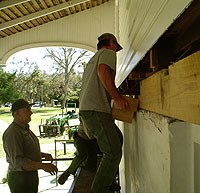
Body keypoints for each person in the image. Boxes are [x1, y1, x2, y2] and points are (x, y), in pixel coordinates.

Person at [79, 33, 129, 193]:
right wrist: (117, 98)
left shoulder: (92, 59)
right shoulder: (108, 53)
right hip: (96, 110)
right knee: (113, 152)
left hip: (90, 110)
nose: (116, 50)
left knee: (118, 139)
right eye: (116, 46)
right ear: (111, 43)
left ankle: (107, 181)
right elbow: (103, 71)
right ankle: (99, 189)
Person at [2, 99, 58, 193]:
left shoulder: (24, 128)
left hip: (29, 176)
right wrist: (43, 166)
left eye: (30, 109)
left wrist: (42, 155)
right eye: (27, 110)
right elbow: (18, 162)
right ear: (17, 114)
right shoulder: (13, 133)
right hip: (20, 179)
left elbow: (26, 150)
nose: (31, 112)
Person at [58, 121, 98, 185]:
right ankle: (68, 172)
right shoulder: (87, 117)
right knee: (82, 154)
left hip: (91, 140)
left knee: (91, 166)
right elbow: (89, 132)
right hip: (81, 137)